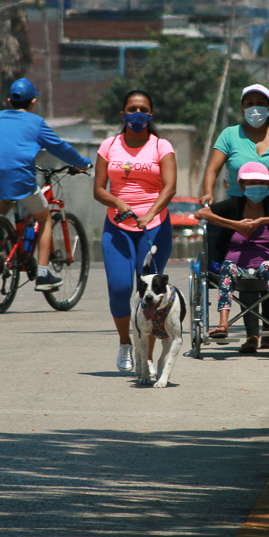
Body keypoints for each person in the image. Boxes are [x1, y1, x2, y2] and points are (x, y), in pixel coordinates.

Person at [93, 90, 177, 373]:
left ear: (150, 115)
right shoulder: (109, 145)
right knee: (120, 288)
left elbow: (170, 187)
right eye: (132, 109)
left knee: (151, 294)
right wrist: (118, 202)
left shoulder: (161, 146)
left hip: (154, 228)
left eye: (143, 109)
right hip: (117, 227)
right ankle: (125, 343)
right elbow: (99, 189)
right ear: (123, 114)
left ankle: (149, 357)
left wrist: (151, 213)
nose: (137, 114)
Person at [0, 78, 92, 291]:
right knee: (45, 219)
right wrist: (82, 163)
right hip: (21, 177)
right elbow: (60, 148)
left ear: (9, 101)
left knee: (8, 197)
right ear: (33, 101)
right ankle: (43, 274)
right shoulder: (36, 122)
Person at [195, 162, 269, 353]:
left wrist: (262, 221)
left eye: (260, 182)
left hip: (266, 263)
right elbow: (201, 213)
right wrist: (234, 224)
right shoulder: (234, 205)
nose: (256, 186)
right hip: (235, 265)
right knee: (228, 269)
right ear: (243, 186)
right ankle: (223, 324)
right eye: (251, 182)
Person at [200, 83, 269, 205]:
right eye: (250, 104)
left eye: (260, 103)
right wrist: (208, 193)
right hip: (236, 206)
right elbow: (212, 170)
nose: (255, 108)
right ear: (242, 109)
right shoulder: (229, 135)